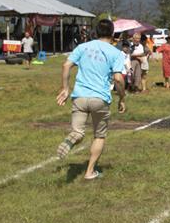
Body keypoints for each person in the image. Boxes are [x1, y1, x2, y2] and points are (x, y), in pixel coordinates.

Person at [54, 18, 126, 181]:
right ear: (112, 34)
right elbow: (118, 79)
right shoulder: (116, 53)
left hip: (79, 96)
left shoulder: (83, 47)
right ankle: (89, 172)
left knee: (78, 131)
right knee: (99, 135)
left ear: (96, 32)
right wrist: (122, 98)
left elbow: (66, 66)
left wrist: (65, 88)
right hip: (99, 98)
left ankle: (74, 136)